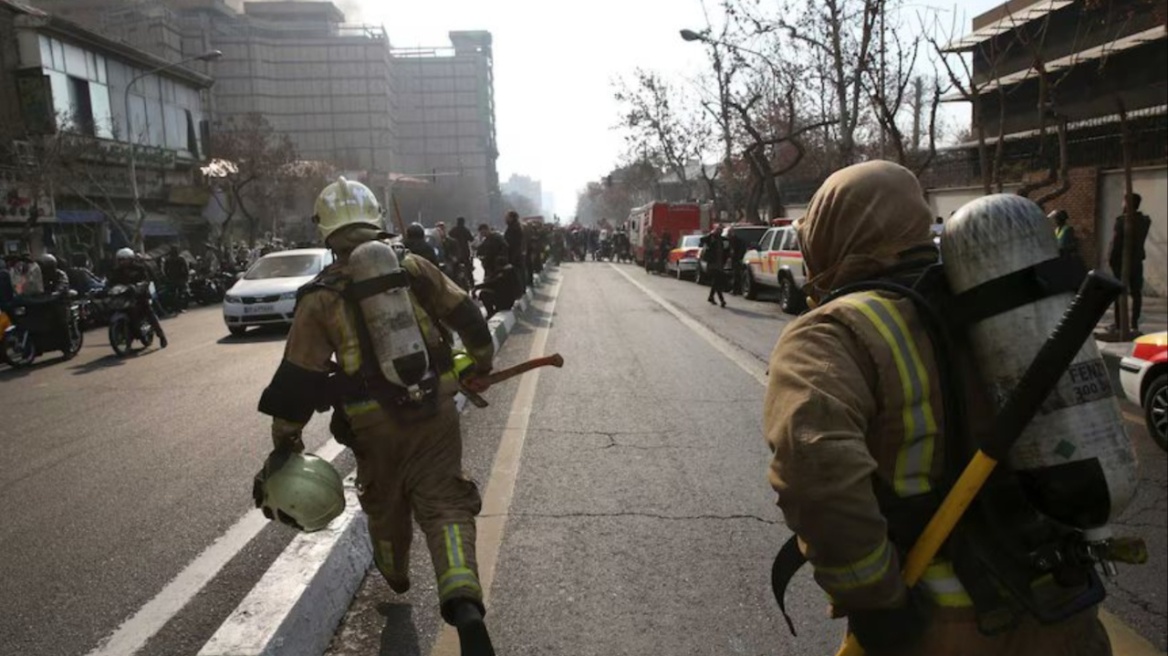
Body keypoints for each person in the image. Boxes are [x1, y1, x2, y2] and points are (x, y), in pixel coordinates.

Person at [764, 161, 1109, 656]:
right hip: (1064, 603)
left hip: (946, 625)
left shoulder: (831, 331)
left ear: (830, 233)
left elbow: (814, 471)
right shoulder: (995, 304)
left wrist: (876, 602)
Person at [256, 177, 497, 655]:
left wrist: (285, 440)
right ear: (376, 219)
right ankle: (463, 600)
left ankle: (397, 575)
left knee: (385, 508)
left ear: (326, 230)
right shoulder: (413, 266)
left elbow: (297, 379)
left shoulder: (319, 295)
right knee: (446, 504)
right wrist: (482, 363)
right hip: (433, 409)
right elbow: (465, 313)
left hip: (370, 425)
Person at [1108, 193, 1152, 333]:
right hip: (1137, 261)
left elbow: (1116, 244)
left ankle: (1119, 324)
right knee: (1136, 293)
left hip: (1121, 262)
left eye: (1123, 202)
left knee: (1118, 293)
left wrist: (1112, 261)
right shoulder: (1145, 221)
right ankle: (1134, 324)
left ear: (1127, 204)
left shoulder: (1121, 221)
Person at [107, 248, 168, 348]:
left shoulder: (139, 268)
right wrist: (107, 289)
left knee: (148, 312)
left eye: (124, 259)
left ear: (130, 259)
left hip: (140, 295)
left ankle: (161, 335)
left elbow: (146, 279)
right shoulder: (116, 271)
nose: (122, 262)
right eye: (120, 260)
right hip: (123, 296)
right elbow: (111, 282)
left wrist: (138, 286)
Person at [702, 226, 727, 308]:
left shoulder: (722, 240)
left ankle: (711, 297)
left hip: (719, 263)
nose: (719, 232)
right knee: (717, 281)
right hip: (712, 263)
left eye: (721, 231)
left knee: (716, 282)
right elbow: (702, 240)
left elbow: (726, 249)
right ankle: (722, 300)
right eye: (718, 230)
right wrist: (711, 234)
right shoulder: (711, 238)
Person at [503, 211, 526, 291]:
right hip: (515, 254)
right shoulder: (514, 226)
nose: (505, 218)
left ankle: (518, 290)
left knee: (516, 274)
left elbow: (513, 243)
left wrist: (511, 258)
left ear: (512, 218)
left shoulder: (514, 228)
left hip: (514, 255)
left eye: (507, 217)